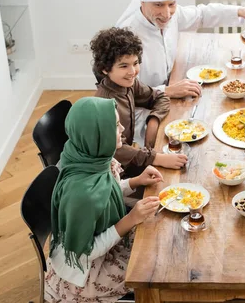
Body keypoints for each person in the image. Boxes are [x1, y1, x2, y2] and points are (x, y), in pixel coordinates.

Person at [116, 0, 245, 142]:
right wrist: (167, 91)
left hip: (171, 87)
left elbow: (201, 15)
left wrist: (239, 11)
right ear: (142, 2)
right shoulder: (127, 34)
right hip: (141, 108)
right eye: (158, 5)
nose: (166, 14)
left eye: (171, 4)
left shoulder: (172, 15)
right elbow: (121, 90)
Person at [45, 97, 163, 302]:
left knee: (158, 232)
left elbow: (107, 193)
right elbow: (87, 251)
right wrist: (131, 219)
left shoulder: (89, 156)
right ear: (97, 134)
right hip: (86, 273)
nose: (123, 128)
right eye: (116, 125)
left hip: (101, 243)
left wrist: (135, 181)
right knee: (153, 264)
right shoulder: (81, 193)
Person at [91, 27, 187, 175]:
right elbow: (118, 150)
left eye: (135, 63)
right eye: (124, 66)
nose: (132, 72)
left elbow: (159, 97)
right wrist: (157, 158)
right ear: (104, 69)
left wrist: (153, 121)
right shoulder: (104, 105)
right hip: (109, 175)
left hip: (126, 164)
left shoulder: (129, 84)